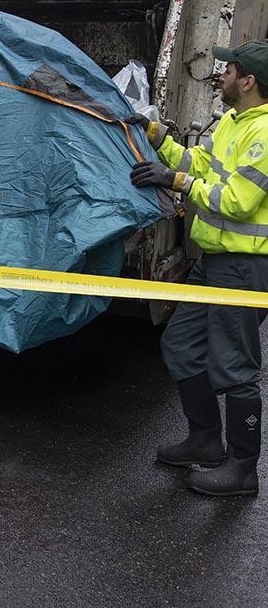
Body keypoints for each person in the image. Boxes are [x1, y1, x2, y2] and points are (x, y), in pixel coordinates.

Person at [127, 38, 268, 497]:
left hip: (245, 268)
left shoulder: (264, 135)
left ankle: (243, 467)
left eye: (228, 70)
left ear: (248, 81)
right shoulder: (234, 120)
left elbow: (238, 202)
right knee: (183, 344)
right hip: (214, 261)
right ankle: (205, 441)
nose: (220, 75)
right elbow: (199, 163)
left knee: (235, 367)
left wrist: (178, 182)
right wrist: (160, 141)